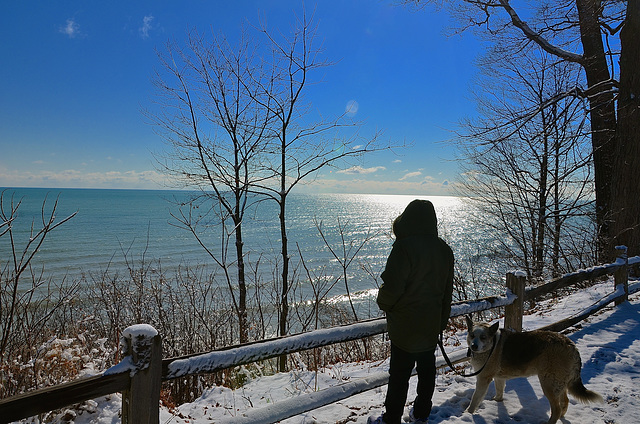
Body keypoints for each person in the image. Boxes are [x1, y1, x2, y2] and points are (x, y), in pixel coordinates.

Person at [368, 199, 454, 424]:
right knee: (427, 374)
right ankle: (422, 413)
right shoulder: (444, 250)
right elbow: (446, 293)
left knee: (399, 376)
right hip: (430, 326)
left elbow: (393, 287)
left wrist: (383, 303)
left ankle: (392, 418)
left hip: (405, 327)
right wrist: (441, 322)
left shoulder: (404, 247)